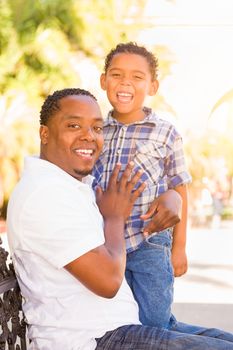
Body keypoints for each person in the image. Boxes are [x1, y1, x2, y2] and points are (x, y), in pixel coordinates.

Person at [6, 88, 233, 350]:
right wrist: (115, 218)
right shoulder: (44, 193)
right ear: (44, 133)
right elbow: (108, 282)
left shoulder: (73, 185)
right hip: (91, 340)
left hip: (121, 328)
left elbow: (158, 186)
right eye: (73, 125)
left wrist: (174, 196)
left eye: (97, 128)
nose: (88, 136)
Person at [93, 41, 191, 329]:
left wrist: (180, 247)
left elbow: (181, 188)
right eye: (116, 74)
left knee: (155, 323)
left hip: (149, 243)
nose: (125, 83)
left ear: (152, 86)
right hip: (105, 245)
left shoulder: (166, 132)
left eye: (137, 77)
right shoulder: (96, 129)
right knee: (117, 322)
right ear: (103, 81)